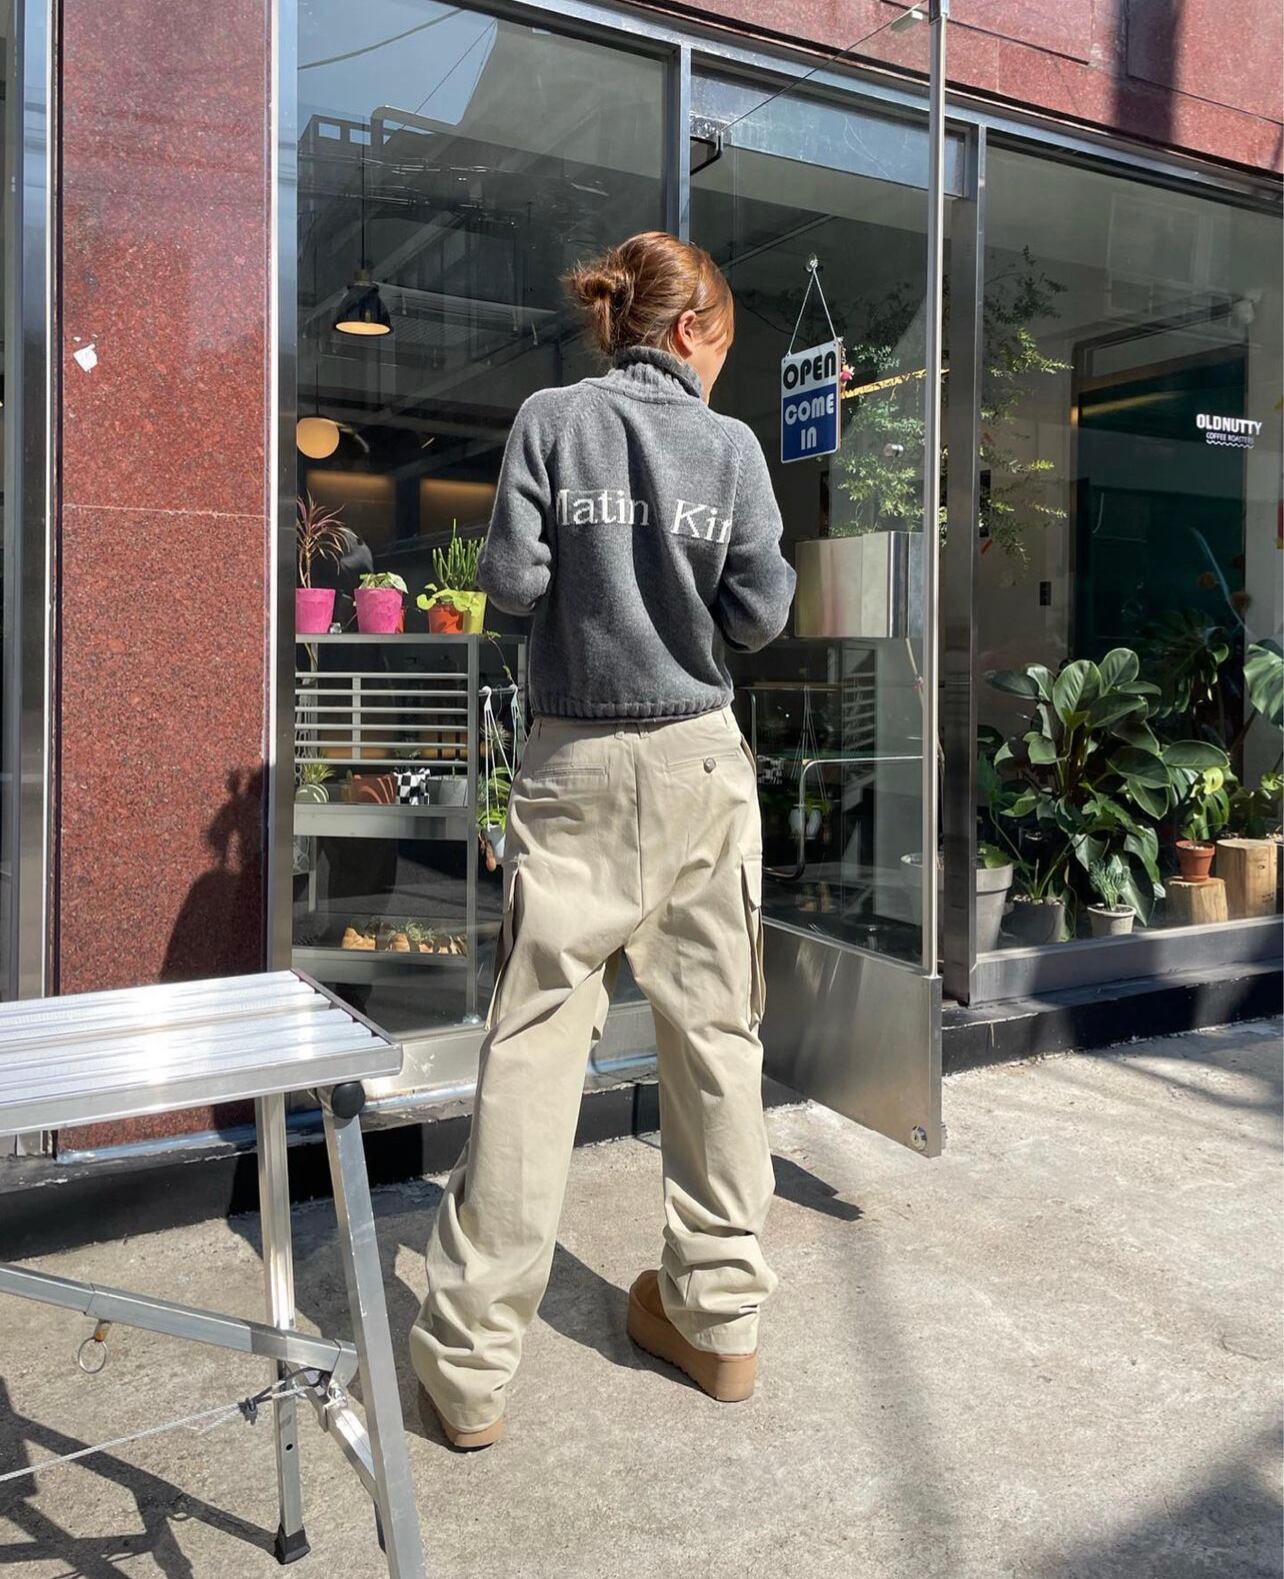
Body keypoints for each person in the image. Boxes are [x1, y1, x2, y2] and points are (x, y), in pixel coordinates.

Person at [410, 230, 797, 1449]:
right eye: (721, 344)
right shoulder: (730, 448)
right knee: (716, 1040)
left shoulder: (549, 420)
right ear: (688, 331)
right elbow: (761, 614)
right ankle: (718, 1322)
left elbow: (512, 584)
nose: (720, 367)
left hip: (574, 761)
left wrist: (595, 554)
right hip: (698, 766)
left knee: (533, 1052)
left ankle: (469, 1370)